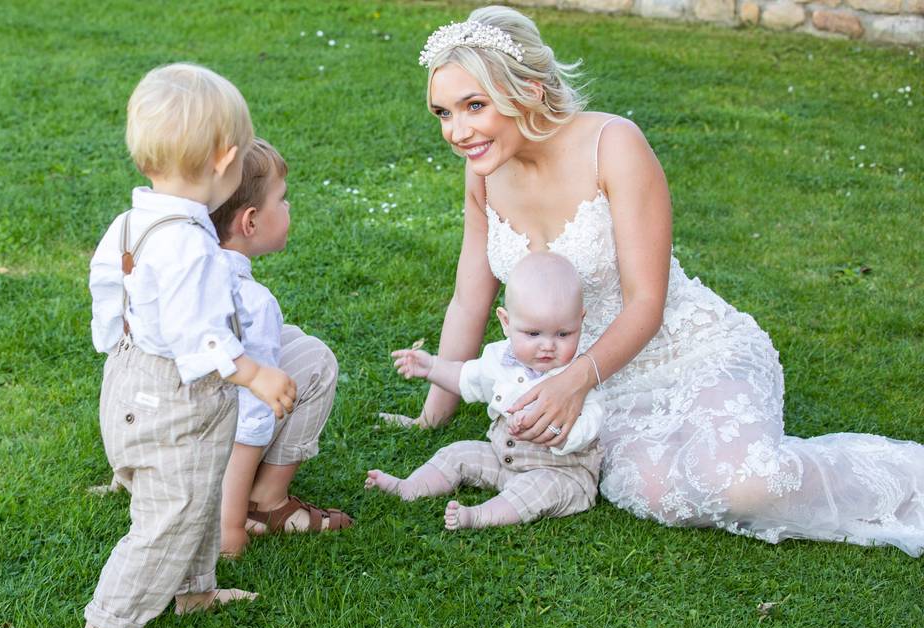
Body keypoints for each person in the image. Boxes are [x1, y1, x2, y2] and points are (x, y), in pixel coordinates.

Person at [386, 5, 924, 555]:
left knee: (746, 485)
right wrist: (435, 411)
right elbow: (467, 300)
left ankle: (908, 482)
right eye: (443, 113)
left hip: (684, 349)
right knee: (658, 495)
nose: (457, 131)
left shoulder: (612, 145)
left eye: (474, 105)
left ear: (526, 88)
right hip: (594, 385)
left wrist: (574, 383)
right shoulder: (484, 171)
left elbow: (647, 301)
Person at [83, 63, 297, 628]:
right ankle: (105, 626)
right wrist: (252, 373)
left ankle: (195, 592)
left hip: (129, 379)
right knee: (168, 517)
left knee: (198, 490)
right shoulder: (190, 247)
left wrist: (114, 338)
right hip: (175, 398)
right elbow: (195, 331)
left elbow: (106, 283)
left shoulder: (131, 221)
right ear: (226, 160)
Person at [368, 252, 606, 529]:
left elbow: (589, 427)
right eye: (533, 334)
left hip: (560, 472)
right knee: (457, 452)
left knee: (534, 490)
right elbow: (467, 377)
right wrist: (432, 366)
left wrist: (552, 430)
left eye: (563, 334)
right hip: (501, 460)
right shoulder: (499, 357)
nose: (548, 345)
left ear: (580, 320)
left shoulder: (578, 377)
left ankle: (479, 516)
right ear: (506, 322)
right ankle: (410, 487)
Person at [209, 138, 352, 557]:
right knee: (316, 361)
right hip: (215, 436)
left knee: (291, 340)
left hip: (168, 431)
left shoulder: (179, 269)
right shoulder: (253, 304)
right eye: (282, 200)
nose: (288, 209)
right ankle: (265, 503)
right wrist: (230, 526)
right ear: (250, 221)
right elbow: (253, 417)